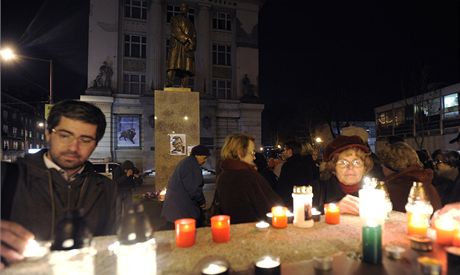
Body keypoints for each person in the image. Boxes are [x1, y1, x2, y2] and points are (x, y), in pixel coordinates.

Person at [0, 100, 116, 268]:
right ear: (48, 133)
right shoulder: (7, 176)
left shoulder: (107, 189)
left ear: (95, 144)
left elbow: (111, 247)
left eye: (85, 139)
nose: (73, 147)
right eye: (64, 135)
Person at [215, 134, 283, 224]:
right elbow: (268, 206)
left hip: (233, 229)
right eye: (252, 153)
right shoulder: (249, 176)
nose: (254, 157)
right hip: (255, 230)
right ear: (240, 153)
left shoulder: (223, 175)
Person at [311, 135, 374, 215]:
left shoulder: (375, 192)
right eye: (343, 163)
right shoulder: (318, 189)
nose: (350, 167)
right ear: (333, 168)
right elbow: (303, 219)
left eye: (356, 162)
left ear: (364, 167)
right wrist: (334, 209)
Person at [378, 141, 442, 212]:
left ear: (389, 166)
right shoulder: (427, 183)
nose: (382, 169)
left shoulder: (392, 189)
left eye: (382, 166)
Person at [161, 145, 210, 229]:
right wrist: (201, 202)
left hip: (175, 209)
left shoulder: (186, 162)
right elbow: (194, 189)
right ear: (197, 155)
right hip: (183, 210)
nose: (205, 161)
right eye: (204, 158)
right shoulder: (192, 166)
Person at [275, 140, 316, 208]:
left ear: (290, 151)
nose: (283, 152)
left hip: (290, 200)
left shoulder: (287, 165)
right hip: (305, 198)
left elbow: (282, 186)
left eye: (285, 150)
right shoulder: (306, 163)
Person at [166, 3, 196, 87]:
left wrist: (192, 44)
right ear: (180, 8)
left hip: (187, 47)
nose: (184, 9)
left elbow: (194, 35)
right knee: (172, 65)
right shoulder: (174, 19)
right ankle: (169, 82)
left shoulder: (190, 23)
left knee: (187, 68)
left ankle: (184, 85)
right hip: (177, 45)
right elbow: (176, 31)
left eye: (186, 7)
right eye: (182, 7)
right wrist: (187, 38)